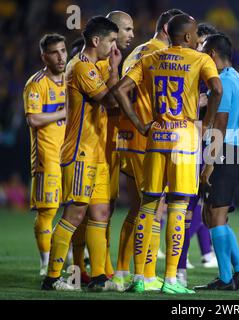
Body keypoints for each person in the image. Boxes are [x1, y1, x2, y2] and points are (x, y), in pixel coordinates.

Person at [113, 14, 223, 294]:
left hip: (155, 137)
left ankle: (140, 278)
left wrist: (140, 124)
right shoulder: (200, 59)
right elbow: (216, 89)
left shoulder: (151, 58)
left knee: (147, 207)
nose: (198, 38)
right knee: (177, 207)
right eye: (195, 33)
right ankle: (171, 279)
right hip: (184, 139)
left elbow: (120, 90)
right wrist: (207, 123)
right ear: (187, 37)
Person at [41, 16, 122, 291]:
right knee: (75, 215)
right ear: (96, 40)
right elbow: (110, 101)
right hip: (79, 153)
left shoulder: (96, 64)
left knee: (100, 213)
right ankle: (51, 278)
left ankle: (98, 278)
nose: (114, 47)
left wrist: (112, 69)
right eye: (111, 40)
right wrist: (115, 70)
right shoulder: (81, 68)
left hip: (97, 153)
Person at [113, 8, 185, 293]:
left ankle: (120, 271)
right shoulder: (160, 54)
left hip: (127, 139)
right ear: (168, 29)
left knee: (136, 209)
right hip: (148, 141)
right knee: (155, 210)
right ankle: (147, 274)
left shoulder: (138, 51)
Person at [70, 10, 135, 285]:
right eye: (127, 30)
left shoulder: (116, 59)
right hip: (89, 147)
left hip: (110, 145)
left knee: (102, 211)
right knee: (81, 213)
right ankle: (76, 269)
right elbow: (110, 99)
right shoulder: (90, 61)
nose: (131, 35)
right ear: (112, 33)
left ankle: (102, 270)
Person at [194, 34, 239, 291]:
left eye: (205, 53)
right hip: (236, 150)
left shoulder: (223, 83)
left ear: (214, 54)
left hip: (226, 151)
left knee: (216, 215)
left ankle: (225, 278)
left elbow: (220, 123)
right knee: (211, 214)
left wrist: (210, 162)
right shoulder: (238, 78)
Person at [176, 21, 220, 287]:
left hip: (208, 146)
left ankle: (207, 259)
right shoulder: (193, 73)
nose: (202, 49)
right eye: (199, 43)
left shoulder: (217, 77)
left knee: (203, 208)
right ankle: (179, 267)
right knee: (186, 206)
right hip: (189, 144)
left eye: (206, 45)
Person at [23, 33, 67, 276]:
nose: (61, 56)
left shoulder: (71, 78)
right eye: (54, 52)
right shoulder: (36, 83)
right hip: (47, 155)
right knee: (48, 210)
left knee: (75, 207)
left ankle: (70, 255)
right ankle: (45, 261)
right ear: (44, 57)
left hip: (71, 154)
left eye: (63, 50)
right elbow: (33, 119)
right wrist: (62, 114)